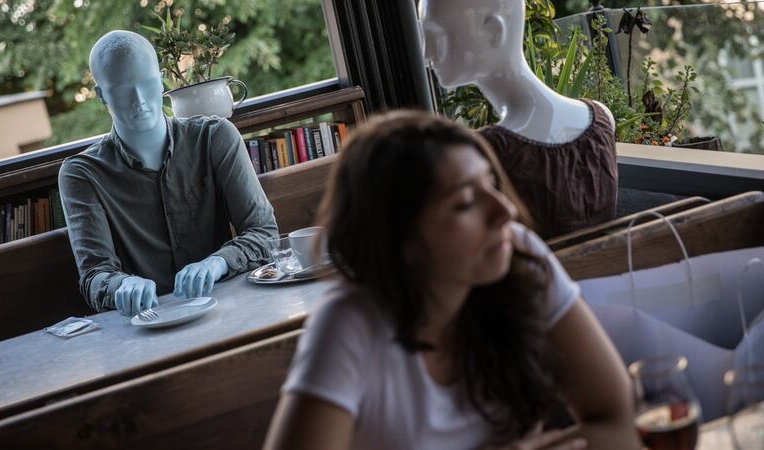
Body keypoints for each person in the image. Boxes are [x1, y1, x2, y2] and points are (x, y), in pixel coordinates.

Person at [264, 111, 639, 450]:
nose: (504, 210)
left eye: (491, 185)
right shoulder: (349, 324)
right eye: (464, 203)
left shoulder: (516, 254)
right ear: (401, 240)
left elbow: (619, 420)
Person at [59, 30, 277, 316]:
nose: (139, 100)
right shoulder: (82, 174)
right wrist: (122, 285)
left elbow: (264, 233)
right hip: (148, 326)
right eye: (123, 90)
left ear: (161, 78)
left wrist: (216, 263)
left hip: (230, 309)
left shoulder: (214, 138)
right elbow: (94, 276)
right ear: (101, 95)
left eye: (147, 83)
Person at [420, 0, 618, 238]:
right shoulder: (601, 118)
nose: (426, 52)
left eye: (437, 36)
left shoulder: (483, 151)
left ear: (494, 31)